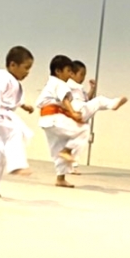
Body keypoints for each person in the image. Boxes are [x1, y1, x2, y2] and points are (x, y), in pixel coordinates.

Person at [0, 46, 36, 197]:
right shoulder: (2, 78)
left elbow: (12, 99)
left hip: (0, 117)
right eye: (26, 68)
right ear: (13, 65)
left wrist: (24, 105)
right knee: (15, 133)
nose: (27, 72)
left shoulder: (13, 81)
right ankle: (17, 165)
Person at [66, 60, 128, 173]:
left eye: (84, 75)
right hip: (76, 110)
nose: (83, 78)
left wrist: (92, 89)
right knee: (100, 100)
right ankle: (113, 104)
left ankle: (72, 166)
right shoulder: (69, 84)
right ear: (72, 74)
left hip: (81, 111)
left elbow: (87, 100)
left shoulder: (79, 88)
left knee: (80, 141)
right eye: (81, 74)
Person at [35, 55, 83, 188]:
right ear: (58, 71)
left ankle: (60, 178)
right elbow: (65, 100)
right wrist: (73, 113)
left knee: (58, 148)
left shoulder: (50, 83)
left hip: (46, 120)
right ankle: (67, 151)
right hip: (54, 118)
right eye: (68, 71)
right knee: (81, 131)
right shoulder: (59, 83)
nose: (70, 75)